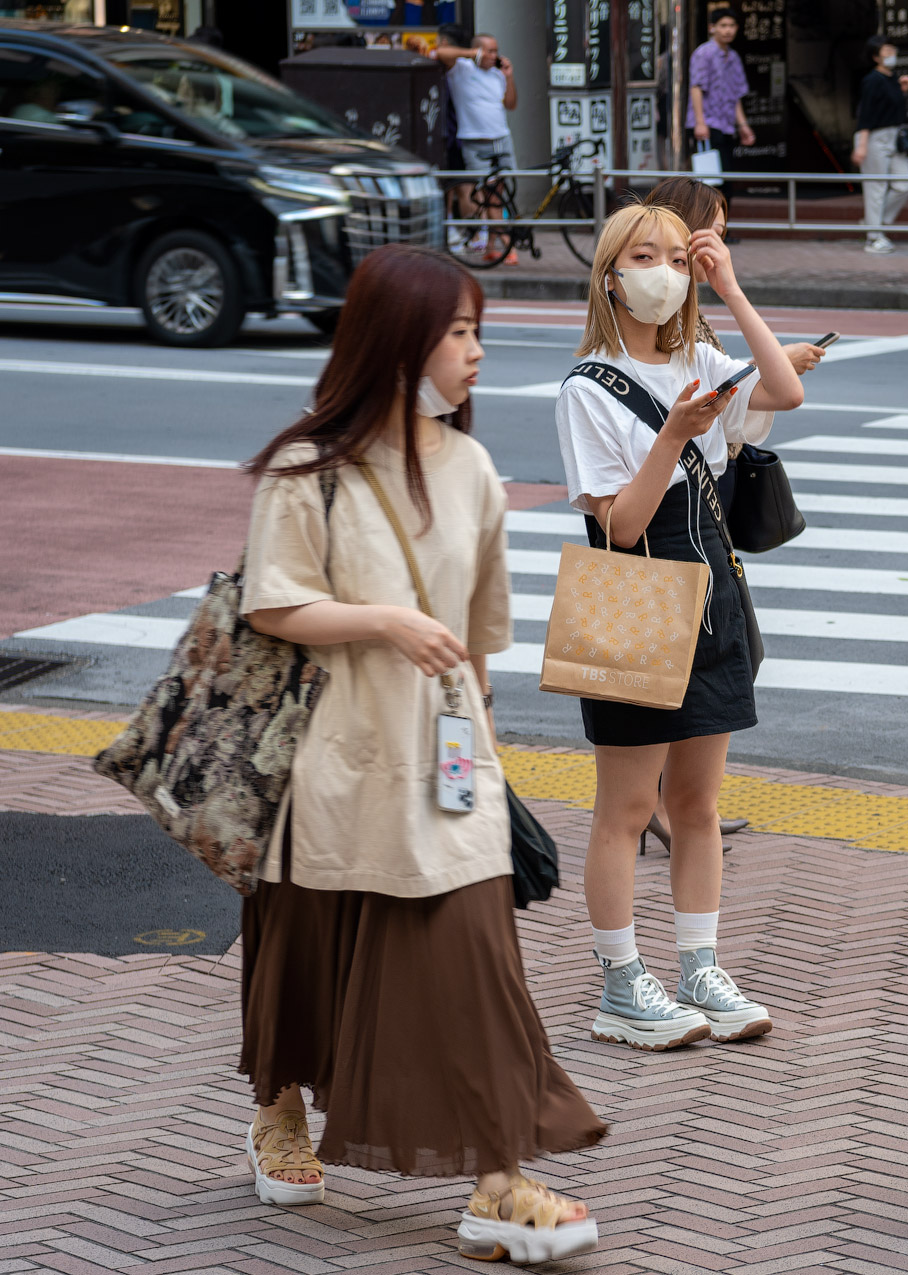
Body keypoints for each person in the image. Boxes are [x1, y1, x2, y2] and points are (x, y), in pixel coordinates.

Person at [237, 244, 605, 1264]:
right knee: (305, 952)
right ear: (396, 344)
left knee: (476, 970)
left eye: (477, 329)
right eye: (456, 331)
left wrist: (480, 763)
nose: (476, 350)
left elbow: (479, 639)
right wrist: (387, 623)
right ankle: (279, 1115)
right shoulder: (309, 472)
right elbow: (273, 601)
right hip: (324, 766)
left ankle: (498, 1181)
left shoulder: (474, 468)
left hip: (442, 773)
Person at [554, 201, 804, 1054]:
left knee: (697, 803)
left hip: (710, 598)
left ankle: (700, 965)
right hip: (633, 600)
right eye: (643, 256)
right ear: (611, 275)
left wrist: (729, 285)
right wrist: (671, 434)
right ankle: (620, 980)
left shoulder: (702, 357)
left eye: (675, 255)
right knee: (626, 807)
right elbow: (619, 526)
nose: (662, 270)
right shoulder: (587, 385)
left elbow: (785, 390)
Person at [634, 174, 826, 854]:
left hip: (705, 532)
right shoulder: (629, 346)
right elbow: (619, 511)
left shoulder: (697, 332)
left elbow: (780, 393)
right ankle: (656, 806)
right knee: (653, 684)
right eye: (707, 228)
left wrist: (741, 308)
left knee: (718, 667)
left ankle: (681, 804)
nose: (716, 244)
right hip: (659, 536)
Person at [432, 35, 518, 264]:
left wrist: (509, 77)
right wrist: (471, 54)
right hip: (474, 140)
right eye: (489, 51)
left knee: (499, 193)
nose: (494, 56)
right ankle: (504, 241)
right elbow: (440, 53)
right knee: (487, 194)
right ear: (478, 50)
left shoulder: (497, 74)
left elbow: (510, 104)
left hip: (501, 138)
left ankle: (492, 246)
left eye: (496, 51)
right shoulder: (461, 69)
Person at [853, 35, 908, 255]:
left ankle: (874, 222)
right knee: (876, 188)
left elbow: (890, 110)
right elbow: (866, 115)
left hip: (892, 138)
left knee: (905, 183)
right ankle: (874, 237)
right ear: (875, 56)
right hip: (874, 138)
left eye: (892, 50)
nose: (891, 55)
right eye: (886, 51)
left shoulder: (891, 78)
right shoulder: (872, 80)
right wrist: (861, 145)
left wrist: (902, 91)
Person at [688, 7, 754, 185]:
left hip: (727, 125)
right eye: (723, 25)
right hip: (708, 124)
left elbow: (735, 96)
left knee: (726, 179)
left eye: (732, 25)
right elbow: (696, 88)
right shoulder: (704, 53)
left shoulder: (733, 56)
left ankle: (724, 213)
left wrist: (743, 125)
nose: (728, 30)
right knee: (711, 182)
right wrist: (700, 123)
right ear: (712, 28)